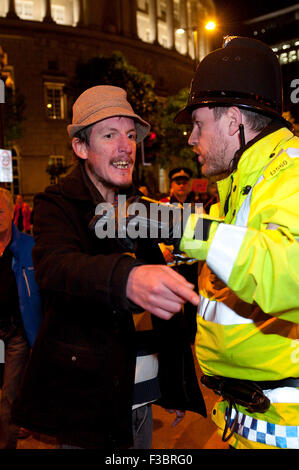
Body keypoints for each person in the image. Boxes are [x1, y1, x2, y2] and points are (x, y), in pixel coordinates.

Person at [117, 36, 299, 450]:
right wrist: (163, 239)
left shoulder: (292, 174)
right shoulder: (244, 183)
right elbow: (230, 239)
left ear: (233, 120)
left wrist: (179, 227)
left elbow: (290, 270)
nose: (190, 139)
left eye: (198, 124)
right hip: (248, 418)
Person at [12, 85, 205, 450]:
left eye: (131, 135)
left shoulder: (142, 208)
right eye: (109, 134)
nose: (126, 146)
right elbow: (57, 267)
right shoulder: (57, 204)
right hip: (90, 402)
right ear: (81, 148)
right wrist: (128, 277)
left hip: (143, 394)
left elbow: (192, 235)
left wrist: (177, 386)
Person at [0, 188, 42, 449]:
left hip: (16, 334)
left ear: (12, 211)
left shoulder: (29, 247)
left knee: (8, 399)